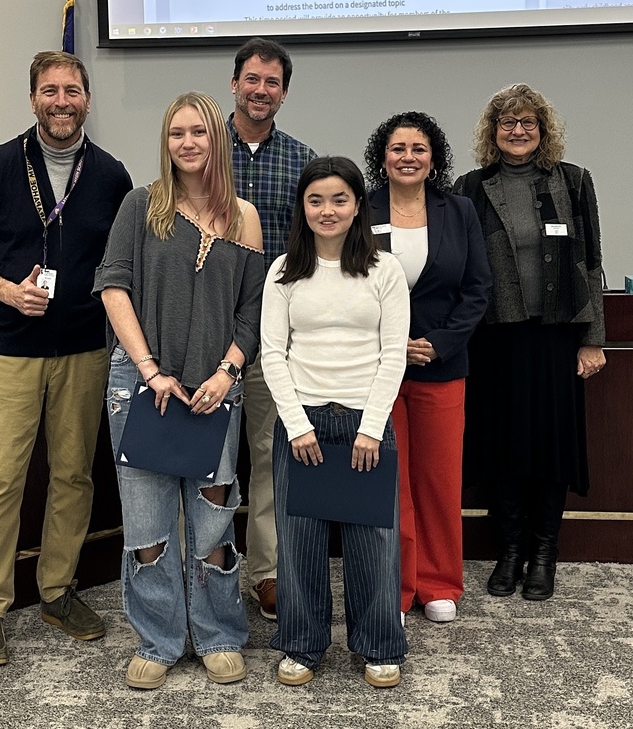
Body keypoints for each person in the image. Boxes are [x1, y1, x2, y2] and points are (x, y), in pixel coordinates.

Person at [0, 51, 133, 667]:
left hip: (83, 346)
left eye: (73, 91)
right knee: (2, 474)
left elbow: (123, 262)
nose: (61, 101)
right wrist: (5, 290)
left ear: (85, 100)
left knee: (74, 474)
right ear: (33, 99)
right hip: (9, 347)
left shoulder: (110, 176)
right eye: (49, 91)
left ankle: (57, 590)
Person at [94, 92, 264, 689]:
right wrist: (148, 368)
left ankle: (218, 634)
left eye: (199, 133)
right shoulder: (141, 206)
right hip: (144, 386)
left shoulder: (243, 215)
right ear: (166, 143)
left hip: (217, 388)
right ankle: (159, 638)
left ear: (216, 140)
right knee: (146, 527)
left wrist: (227, 372)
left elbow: (252, 307)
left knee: (214, 521)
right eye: (176, 134)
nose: (188, 143)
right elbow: (113, 287)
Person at [261, 156, 410, 688]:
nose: (328, 210)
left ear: (357, 207)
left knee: (372, 541)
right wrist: (297, 424)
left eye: (339, 199)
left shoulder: (383, 269)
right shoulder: (282, 271)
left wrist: (372, 426)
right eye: (316, 200)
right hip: (301, 423)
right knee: (299, 542)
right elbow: (272, 354)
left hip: (365, 424)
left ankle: (377, 644)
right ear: (302, 208)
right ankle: (302, 645)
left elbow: (393, 354)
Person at [453, 83, 606, 601]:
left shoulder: (572, 181)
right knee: (503, 446)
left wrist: (592, 339)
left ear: (542, 130)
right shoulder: (471, 186)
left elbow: (591, 262)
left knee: (550, 448)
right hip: (494, 338)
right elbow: (461, 267)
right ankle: (511, 549)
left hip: (556, 337)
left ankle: (544, 553)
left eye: (528, 123)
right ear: (493, 133)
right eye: (507, 123)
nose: (518, 131)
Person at [364, 112, 491, 624]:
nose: (408, 156)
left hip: (442, 365)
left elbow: (478, 288)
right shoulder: (360, 207)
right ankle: (394, 586)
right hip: (377, 368)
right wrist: (392, 344)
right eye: (398, 147)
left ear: (433, 158)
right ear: (383, 156)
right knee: (388, 480)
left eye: (419, 148)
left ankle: (439, 582)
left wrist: (438, 344)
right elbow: (348, 284)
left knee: (439, 478)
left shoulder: (458, 210)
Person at [227, 37, 318, 620]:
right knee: (203, 458)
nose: (262, 90)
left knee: (267, 454)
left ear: (283, 92)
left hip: (270, 337)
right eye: (252, 79)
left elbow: (312, 249)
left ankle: (267, 573)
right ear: (234, 83)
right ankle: (204, 570)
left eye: (273, 83)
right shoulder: (201, 151)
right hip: (204, 334)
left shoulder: (303, 161)